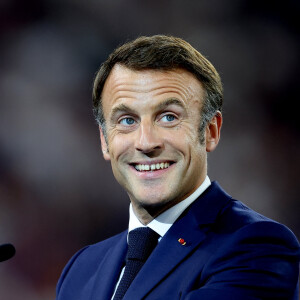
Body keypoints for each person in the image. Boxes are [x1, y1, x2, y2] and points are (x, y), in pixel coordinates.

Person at [56, 35, 300, 300]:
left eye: (168, 117)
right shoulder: (81, 269)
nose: (146, 142)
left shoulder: (258, 247)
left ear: (210, 131)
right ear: (105, 141)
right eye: (127, 120)